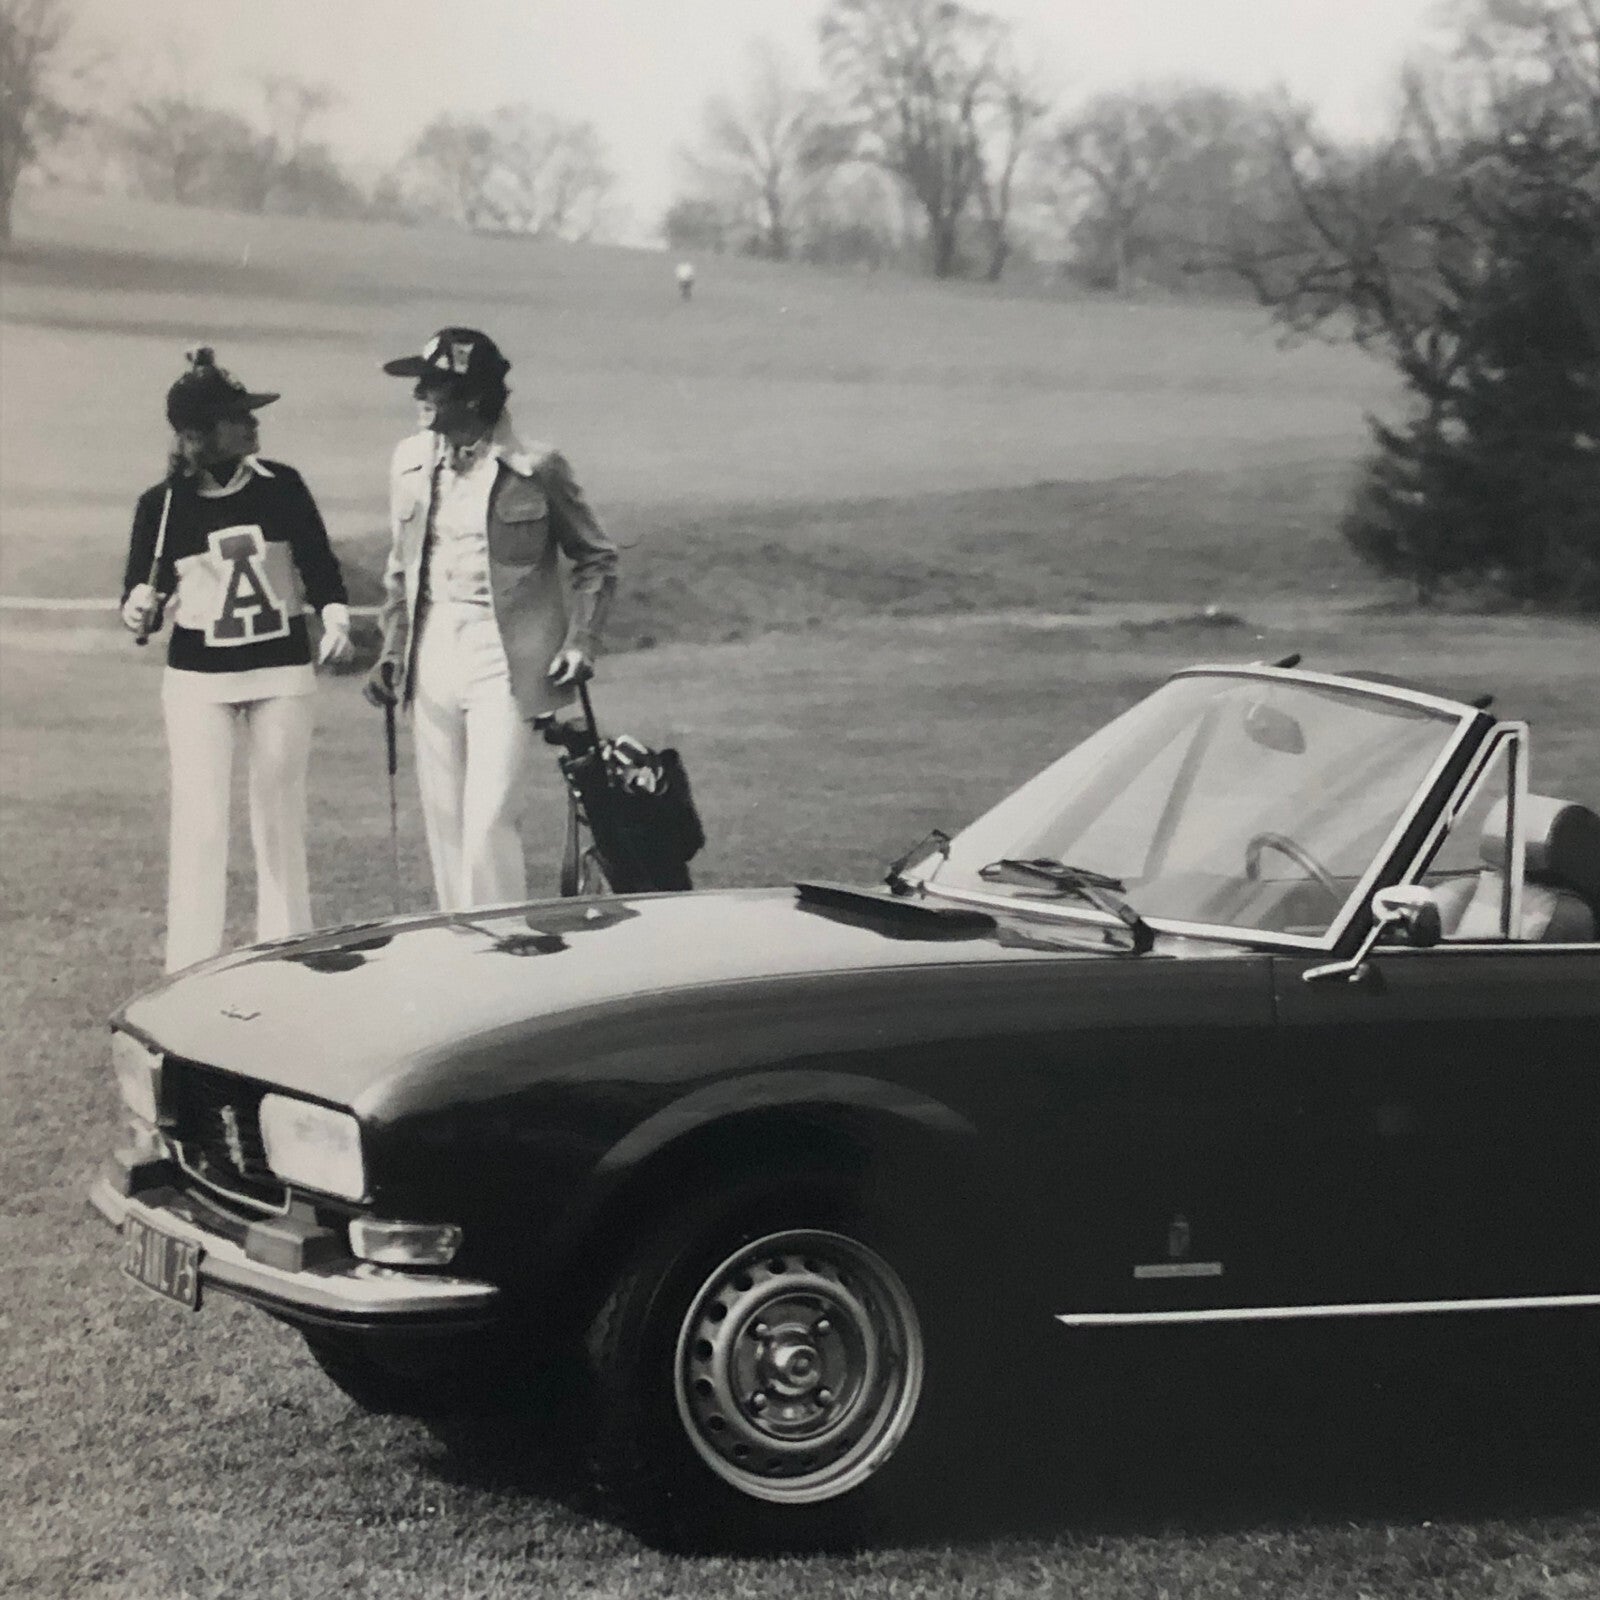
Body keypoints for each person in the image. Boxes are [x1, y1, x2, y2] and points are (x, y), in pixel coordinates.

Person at [364, 326, 620, 911]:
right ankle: (459, 953)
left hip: (508, 654)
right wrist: (392, 650)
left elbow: (597, 558)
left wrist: (582, 640)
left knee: (488, 818)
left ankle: (503, 948)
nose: (420, 395)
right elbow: (401, 571)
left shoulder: (538, 468)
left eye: (435, 385)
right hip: (432, 650)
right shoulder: (409, 462)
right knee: (445, 821)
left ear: (474, 398)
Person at [121, 347, 353, 972]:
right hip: (198, 678)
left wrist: (334, 616)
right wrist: (139, 607)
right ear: (198, 434)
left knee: (279, 811)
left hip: (280, 669)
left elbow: (319, 565)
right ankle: (190, 968)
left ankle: (287, 954)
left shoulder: (282, 485)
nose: (253, 426)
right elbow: (142, 595)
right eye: (237, 418)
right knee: (200, 820)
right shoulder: (162, 505)